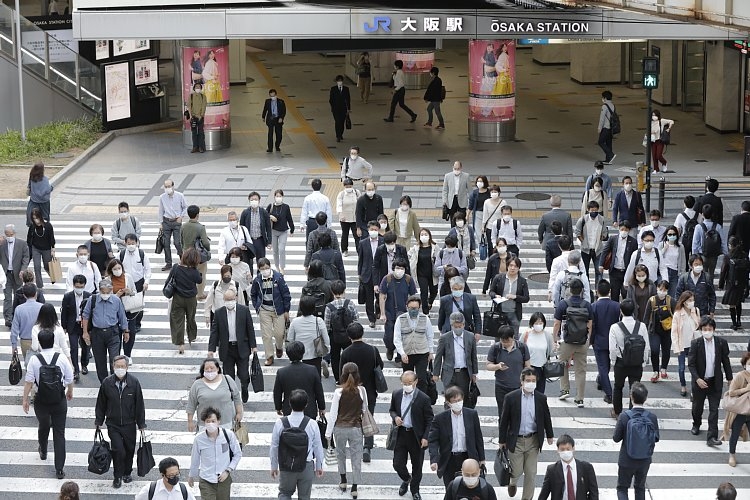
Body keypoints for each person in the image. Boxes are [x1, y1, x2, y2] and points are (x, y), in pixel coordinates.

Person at [22, 329, 74, 480]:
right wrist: (70, 392)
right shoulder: (62, 358)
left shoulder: (34, 359)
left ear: (39, 342)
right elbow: (69, 378)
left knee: (44, 426)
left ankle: (43, 450)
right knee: (59, 433)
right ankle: (59, 469)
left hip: (41, 401)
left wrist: (25, 400)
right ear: (53, 341)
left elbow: (29, 382)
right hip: (59, 400)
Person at [498, 368, 555, 500]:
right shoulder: (511, 398)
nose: (531, 383)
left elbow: (546, 416)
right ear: (522, 382)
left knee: (531, 473)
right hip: (516, 440)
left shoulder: (541, 398)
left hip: (533, 440)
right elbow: (504, 420)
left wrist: (550, 435)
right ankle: (512, 482)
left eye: (533, 381)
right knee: (516, 471)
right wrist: (502, 441)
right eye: (528, 380)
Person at [94, 355, 146, 488]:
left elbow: (139, 404)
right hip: (113, 424)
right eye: (118, 366)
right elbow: (101, 404)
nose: (120, 369)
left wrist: (141, 424)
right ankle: (117, 476)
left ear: (127, 367)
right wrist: (99, 421)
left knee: (129, 449)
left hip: (129, 423)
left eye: (123, 366)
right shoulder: (107, 383)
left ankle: (127, 472)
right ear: (113, 367)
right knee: (118, 450)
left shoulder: (134, 382)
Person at [270, 389, 325, 500]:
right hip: (306, 465)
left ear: (290, 404)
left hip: (287, 465)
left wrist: (274, 466)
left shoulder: (280, 423)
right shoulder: (312, 424)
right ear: (306, 405)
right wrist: (319, 466)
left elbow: (274, 446)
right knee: (304, 497)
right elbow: (318, 446)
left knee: (284, 493)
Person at [389, 370, 434, 500]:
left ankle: (415, 489)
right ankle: (406, 479)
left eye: (409, 382)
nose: (407, 385)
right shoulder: (397, 394)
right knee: (397, 464)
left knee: (417, 466)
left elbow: (430, 419)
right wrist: (395, 417)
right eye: (404, 382)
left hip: (417, 436)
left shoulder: (423, 398)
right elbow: (392, 410)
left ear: (415, 382)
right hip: (401, 434)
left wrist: (426, 437)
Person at [429, 386, 485, 489]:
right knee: (451, 488)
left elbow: (478, 437)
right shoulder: (440, 418)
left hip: (468, 457)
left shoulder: (471, 414)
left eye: (459, 400)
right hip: (449, 459)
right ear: (448, 403)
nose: (457, 403)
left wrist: (482, 458)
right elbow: (433, 440)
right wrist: (434, 460)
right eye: (454, 401)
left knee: (470, 488)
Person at [325, 362, 367, 499]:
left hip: (339, 428)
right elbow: (365, 410)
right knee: (356, 458)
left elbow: (333, 414)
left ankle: (343, 481)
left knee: (340, 454)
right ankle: (354, 487)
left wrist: (328, 433)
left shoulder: (338, 392)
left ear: (343, 375)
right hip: (355, 427)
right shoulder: (362, 391)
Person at [689, 316, 732, 446]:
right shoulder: (696, 344)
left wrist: (730, 378)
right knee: (697, 407)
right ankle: (696, 423)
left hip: (715, 381)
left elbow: (725, 361)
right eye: (704, 329)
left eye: (709, 329)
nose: (707, 331)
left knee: (714, 410)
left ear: (714, 329)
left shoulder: (721, 343)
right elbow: (691, 364)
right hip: (700, 382)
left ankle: (711, 437)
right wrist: (697, 379)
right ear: (701, 329)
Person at [208, 288, 257, 403]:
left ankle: (244, 388)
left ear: (235, 298)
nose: (229, 301)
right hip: (227, 349)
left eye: (231, 299)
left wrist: (253, 346)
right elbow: (214, 332)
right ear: (224, 300)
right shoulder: (219, 313)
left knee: (244, 374)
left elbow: (250, 328)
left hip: (242, 348)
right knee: (228, 376)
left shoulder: (244, 310)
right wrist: (211, 349)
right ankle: (232, 397)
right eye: (227, 300)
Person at [613, 382, 659, 500]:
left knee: (622, 488)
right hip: (644, 460)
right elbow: (656, 438)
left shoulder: (624, 416)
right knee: (640, 487)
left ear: (631, 396)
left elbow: (616, 438)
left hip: (626, 459)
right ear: (646, 398)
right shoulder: (651, 417)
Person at [552, 278, 593, 407]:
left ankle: (565, 389)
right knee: (581, 370)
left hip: (567, 341)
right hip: (582, 342)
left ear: (569, 290)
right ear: (581, 291)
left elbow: (557, 323)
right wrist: (588, 339)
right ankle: (580, 398)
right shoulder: (587, 305)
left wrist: (555, 338)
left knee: (562, 364)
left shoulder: (563, 304)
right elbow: (590, 324)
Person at [188, 406, 241, 500]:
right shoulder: (199, 439)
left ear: (218, 421)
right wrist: (191, 475)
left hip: (223, 479)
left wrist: (228, 470)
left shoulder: (228, 435)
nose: (210, 424)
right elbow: (195, 458)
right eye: (208, 421)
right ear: (204, 422)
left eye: (213, 421)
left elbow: (237, 454)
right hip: (206, 479)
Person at [81, 278, 129, 383]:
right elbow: (85, 315)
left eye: (108, 292)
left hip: (113, 333)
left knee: (114, 358)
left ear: (111, 291)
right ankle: (104, 383)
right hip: (97, 334)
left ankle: (115, 381)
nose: (105, 294)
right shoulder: (92, 299)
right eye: (103, 292)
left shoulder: (116, 300)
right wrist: (85, 332)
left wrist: (126, 331)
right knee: (100, 361)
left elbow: (122, 316)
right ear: (99, 290)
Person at [609, 299, 650, 418]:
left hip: (621, 362)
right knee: (635, 388)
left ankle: (617, 412)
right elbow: (646, 346)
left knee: (618, 387)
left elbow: (612, 348)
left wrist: (613, 361)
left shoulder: (615, 327)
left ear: (621, 311)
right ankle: (633, 413)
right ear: (634, 311)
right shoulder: (641, 326)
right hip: (637, 362)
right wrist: (643, 361)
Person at [250, 258, 291, 366]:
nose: (265, 270)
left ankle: (279, 347)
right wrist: (256, 306)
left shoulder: (278, 278)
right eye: (262, 269)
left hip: (279, 310)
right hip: (264, 310)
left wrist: (287, 310)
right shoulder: (257, 280)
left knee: (279, 333)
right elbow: (253, 294)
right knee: (266, 335)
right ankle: (269, 356)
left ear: (270, 267)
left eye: (267, 268)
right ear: (259, 269)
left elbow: (286, 294)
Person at [434, 312, 478, 405]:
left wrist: (474, 373)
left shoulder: (470, 337)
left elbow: (473, 356)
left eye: (460, 326)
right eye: (455, 326)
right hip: (449, 373)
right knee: (449, 399)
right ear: (451, 325)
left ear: (463, 324)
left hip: (464, 373)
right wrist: (436, 374)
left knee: (462, 399)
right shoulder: (445, 338)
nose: (458, 328)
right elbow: (438, 356)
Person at [273, 341, 326, 419]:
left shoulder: (282, 372)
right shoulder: (312, 370)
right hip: (309, 410)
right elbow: (319, 391)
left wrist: (278, 407)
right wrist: (321, 407)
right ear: (303, 353)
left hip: (289, 409)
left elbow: (277, 392)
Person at [487, 325, 530, 420]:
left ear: (513, 337)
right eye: (503, 341)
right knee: (503, 415)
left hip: (518, 387)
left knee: (517, 415)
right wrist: (497, 366)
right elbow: (488, 365)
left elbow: (527, 367)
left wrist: (525, 383)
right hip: (501, 387)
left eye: (508, 341)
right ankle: (503, 434)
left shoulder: (522, 347)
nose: (505, 343)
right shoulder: (495, 348)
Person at [538, 434, 599, 500]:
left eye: (568, 449)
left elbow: (594, 492)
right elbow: (544, 494)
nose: (565, 452)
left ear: (573, 449)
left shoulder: (586, 468)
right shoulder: (552, 470)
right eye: (562, 449)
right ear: (558, 450)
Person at [187, 358, 242, 433]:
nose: (209, 370)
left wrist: (239, 413)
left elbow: (236, 397)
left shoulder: (227, 380)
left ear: (218, 369)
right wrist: (190, 421)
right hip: (205, 424)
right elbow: (191, 404)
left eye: (212, 368)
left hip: (225, 423)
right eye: (206, 368)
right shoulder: (197, 384)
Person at [392, 294, 434, 390]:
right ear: (407, 307)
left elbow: (430, 336)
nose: (413, 310)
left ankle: (421, 400)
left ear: (419, 308)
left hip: (422, 353)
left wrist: (431, 352)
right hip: (407, 354)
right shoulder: (400, 319)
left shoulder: (425, 319)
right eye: (411, 308)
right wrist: (402, 353)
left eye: (416, 308)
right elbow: (397, 338)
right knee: (407, 380)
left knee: (422, 379)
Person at [379, 258, 417, 362]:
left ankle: (400, 356)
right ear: (393, 268)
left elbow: (413, 296)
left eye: (402, 268)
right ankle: (390, 348)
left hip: (404, 312)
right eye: (397, 268)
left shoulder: (408, 279)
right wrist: (382, 313)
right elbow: (382, 295)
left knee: (404, 336)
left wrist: (414, 312)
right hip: (390, 312)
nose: (399, 270)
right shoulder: (387, 279)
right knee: (389, 336)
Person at [166, 248, 202, 354]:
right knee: (190, 318)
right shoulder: (194, 272)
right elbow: (199, 280)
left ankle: (180, 343)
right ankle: (192, 336)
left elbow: (169, 279)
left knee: (177, 320)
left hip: (178, 297)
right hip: (191, 298)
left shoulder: (176, 268)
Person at [324, 280, 359, 383]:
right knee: (350, 356)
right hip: (349, 335)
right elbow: (356, 319)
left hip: (335, 336)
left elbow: (327, 324)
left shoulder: (329, 307)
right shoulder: (350, 303)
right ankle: (351, 377)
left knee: (335, 358)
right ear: (344, 291)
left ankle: (339, 380)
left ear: (332, 292)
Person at [287, 294, 330, 375]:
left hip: (299, 356)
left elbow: (290, 339)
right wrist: (326, 352)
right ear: (314, 308)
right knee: (316, 380)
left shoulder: (295, 322)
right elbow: (326, 340)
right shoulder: (319, 321)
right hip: (315, 355)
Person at [591, 280, 619, 404]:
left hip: (599, 340)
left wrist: (591, 340)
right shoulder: (616, 306)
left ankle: (609, 393)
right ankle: (601, 380)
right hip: (613, 340)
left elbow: (592, 326)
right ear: (610, 291)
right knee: (606, 366)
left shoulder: (593, 306)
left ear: (597, 292)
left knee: (603, 366)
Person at [488, 257, 529, 338]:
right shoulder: (499, 278)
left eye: (515, 266)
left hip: (514, 314)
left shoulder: (522, 281)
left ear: (518, 268)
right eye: (511, 265)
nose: (513, 268)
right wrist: (496, 296)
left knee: (514, 337)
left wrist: (515, 297)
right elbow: (491, 292)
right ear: (507, 266)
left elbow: (526, 298)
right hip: (500, 312)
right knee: (499, 337)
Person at [104, 259, 137, 360]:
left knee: (130, 331)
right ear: (111, 270)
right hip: (114, 311)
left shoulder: (128, 277)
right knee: (116, 334)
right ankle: (116, 356)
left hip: (128, 309)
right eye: (115, 269)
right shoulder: (107, 280)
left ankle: (127, 354)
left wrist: (129, 291)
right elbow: (104, 296)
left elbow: (135, 291)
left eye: (119, 268)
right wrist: (116, 296)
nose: (117, 270)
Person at [599, 221, 639, 302]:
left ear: (629, 230)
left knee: (626, 293)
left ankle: (625, 311)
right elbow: (605, 251)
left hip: (626, 272)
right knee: (614, 294)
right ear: (619, 229)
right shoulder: (613, 239)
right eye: (622, 229)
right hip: (614, 271)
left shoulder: (633, 242)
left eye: (626, 230)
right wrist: (601, 264)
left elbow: (635, 257)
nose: (624, 231)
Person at [671, 291, 701, 398]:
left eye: (693, 300)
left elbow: (699, 326)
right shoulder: (678, 314)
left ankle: (694, 389)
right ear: (684, 302)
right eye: (689, 300)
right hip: (682, 345)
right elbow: (674, 332)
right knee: (682, 368)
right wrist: (676, 347)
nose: (692, 302)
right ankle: (683, 386)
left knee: (695, 368)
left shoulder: (696, 311)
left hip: (694, 344)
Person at [61, 275, 91, 380]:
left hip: (84, 326)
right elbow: (64, 312)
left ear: (84, 285)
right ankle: (76, 369)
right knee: (73, 348)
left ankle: (84, 365)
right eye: (77, 286)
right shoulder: (68, 296)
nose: (79, 288)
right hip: (72, 325)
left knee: (85, 347)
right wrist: (64, 326)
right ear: (73, 285)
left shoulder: (89, 296)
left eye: (81, 286)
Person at [119, 233, 150, 337]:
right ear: (125, 243)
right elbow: (116, 266)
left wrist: (146, 282)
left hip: (139, 282)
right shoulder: (121, 254)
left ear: (137, 243)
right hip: (126, 283)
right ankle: (126, 322)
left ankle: (137, 323)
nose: (131, 245)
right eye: (129, 243)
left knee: (138, 304)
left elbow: (147, 269)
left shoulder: (141, 254)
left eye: (133, 243)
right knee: (126, 303)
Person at [644, 281, 674, 383]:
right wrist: (644, 330)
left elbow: (676, 315)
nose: (662, 291)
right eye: (660, 289)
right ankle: (655, 371)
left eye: (664, 290)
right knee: (655, 350)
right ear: (657, 288)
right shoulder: (652, 300)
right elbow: (646, 317)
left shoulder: (670, 301)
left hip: (667, 330)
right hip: (654, 330)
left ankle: (663, 368)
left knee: (666, 350)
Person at [724, 351, 750, 467]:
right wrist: (745, 389)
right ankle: (732, 454)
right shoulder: (740, 376)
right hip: (740, 411)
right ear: (745, 364)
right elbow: (731, 392)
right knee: (735, 434)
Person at [1, 223, 29, 326]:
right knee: (7, 297)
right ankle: (8, 318)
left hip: (18, 274)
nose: (9, 237)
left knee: (19, 296)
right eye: (7, 234)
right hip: (6, 274)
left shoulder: (22, 244)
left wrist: (23, 270)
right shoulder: (2, 244)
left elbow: (26, 257)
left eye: (11, 234)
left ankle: (18, 316)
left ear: (15, 233)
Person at [180, 204, 210, 300]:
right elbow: (205, 242)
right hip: (198, 255)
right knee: (201, 273)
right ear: (197, 215)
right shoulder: (200, 227)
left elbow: (180, 240)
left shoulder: (183, 226)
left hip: (186, 253)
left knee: (187, 273)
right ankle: (200, 294)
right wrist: (207, 249)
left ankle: (188, 291)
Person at [692, 204, 727, 284]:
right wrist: (726, 253)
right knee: (711, 274)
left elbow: (695, 243)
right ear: (712, 214)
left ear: (702, 214)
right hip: (714, 255)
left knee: (702, 273)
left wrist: (694, 256)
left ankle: (703, 289)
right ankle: (710, 289)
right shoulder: (718, 227)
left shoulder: (698, 227)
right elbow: (723, 241)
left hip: (702, 255)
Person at [520, 312, 554, 394]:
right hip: (528, 367)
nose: (538, 325)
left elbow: (551, 353)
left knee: (539, 393)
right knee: (527, 391)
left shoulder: (547, 336)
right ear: (532, 323)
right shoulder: (526, 334)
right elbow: (520, 349)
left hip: (541, 369)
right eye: (536, 323)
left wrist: (557, 349)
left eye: (540, 323)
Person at [158, 179, 188, 271]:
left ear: (173, 186)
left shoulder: (180, 196)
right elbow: (161, 210)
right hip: (166, 221)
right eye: (166, 187)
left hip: (176, 222)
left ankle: (183, 260)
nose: (167, 188)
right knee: (166, 243)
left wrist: (181, 217)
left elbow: (185, 207)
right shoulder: (162, 197)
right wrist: (160, 223)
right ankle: (168, 263)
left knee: (177, 242)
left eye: (169, 186)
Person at [357, 221, 383, 328]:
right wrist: (359, 274)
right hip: (367, 274)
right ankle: (371, 319)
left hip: (380, 274)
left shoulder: (383, 241)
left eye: (376, 230)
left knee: (380, 296)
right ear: (368, 230)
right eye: (372, 229)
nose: (374, 231)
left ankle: (378, 310)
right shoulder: (363, 243)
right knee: (369, 299)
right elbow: (361, 259)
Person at [719, 236, 748, 330]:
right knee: (738, 302)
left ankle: (734, 323)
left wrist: (721, 283)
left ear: (730, 245)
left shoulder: (728, 256)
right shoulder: (744, 255)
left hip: (731, 283)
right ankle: (739, 320)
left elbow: (723, 271)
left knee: (732, 304)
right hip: (742, 283)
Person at [409, 227, 439, 314]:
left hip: (432, 273)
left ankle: (430, 302)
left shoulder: (435, 247)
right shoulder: (416, 248)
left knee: (434, 291)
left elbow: (439, 258)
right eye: (422, 235)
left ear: (429, 236)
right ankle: (425, 311)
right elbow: (409, 255)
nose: (424, 236)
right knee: (424, 292)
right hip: (421, 274)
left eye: (426, 234)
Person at [575, 201, 606, 284]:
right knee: (585, 271)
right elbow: (577, 232)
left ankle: (598, 290)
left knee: (599, 271)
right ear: (588, 210)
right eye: (592, 211)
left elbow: (604, 233)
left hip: (598, 250)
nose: (594, 212)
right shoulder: (583, 220)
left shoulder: (601, 219)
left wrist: (600, 239)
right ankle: (586, 288)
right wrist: (583, 241)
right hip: (585, 250)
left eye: (596, 211)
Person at [11, 283, 44, 361]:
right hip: (41, 340)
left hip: (25, 341)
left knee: (29, 366)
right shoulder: (42, 307)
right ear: (36, 293)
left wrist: (14, 345)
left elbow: (14, 329)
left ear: (24, 295)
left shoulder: (19, 309)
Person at [240, 191, 273, 265]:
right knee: (248, 260)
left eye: (256, 199)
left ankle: (259, 275)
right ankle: (249, 275)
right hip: (249, 241)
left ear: (259, 201)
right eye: (252, 200)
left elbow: (268, 227)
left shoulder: (263, 212)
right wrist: (242, 242)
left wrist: (269, 241)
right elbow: (241, 227)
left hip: (260, 240)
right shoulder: (245, 213)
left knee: (261, 260)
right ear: (249, 201)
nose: (254, 201)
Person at [26, 207, 56, 289]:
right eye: (34, 218)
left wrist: (53, 249)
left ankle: (52, 276)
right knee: (37, 266)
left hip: (46, 248)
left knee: (47, 265)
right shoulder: (32, 227)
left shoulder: (48, 226)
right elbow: (29, 239)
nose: (36, 220)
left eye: (37, 217)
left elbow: (51, 238)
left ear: (41, 217)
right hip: (36, 249)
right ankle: (40, 286)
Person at [268, 190, 295, 273]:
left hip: (283, 231)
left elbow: (289, 218)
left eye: (280, 196)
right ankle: (277, 266)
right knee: (275, 251)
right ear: (274, 197)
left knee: (282, 249)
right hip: (273, 231)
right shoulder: (271, 206)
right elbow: (265, 215)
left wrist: (292, 229)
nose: (278, 198)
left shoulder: (286, 207)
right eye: (277, 196)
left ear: (282, 197)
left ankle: (282, 267)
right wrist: (271, 216)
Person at [384, 60, 417, 124]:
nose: (394, 66)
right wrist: (393, 75)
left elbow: (401, 83)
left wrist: (395, 90)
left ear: (397, 66)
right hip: (401, 90)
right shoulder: (399, 72)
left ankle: (391, 118)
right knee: (401, 104)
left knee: (393, 104)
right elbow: (396, 80)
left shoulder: (399, 73)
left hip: (399, 90)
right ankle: (413, 115)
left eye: (394, 65)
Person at [336, 178, 361, 257]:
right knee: (345, 234)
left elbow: (360, 203)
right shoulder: (341, 194)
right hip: (344, 218)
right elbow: (339, 205)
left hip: (354, 218)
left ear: (352, 186)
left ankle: (359, 250)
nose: (348, 188)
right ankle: (344, 250)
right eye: (347, 187)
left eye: (349, 186)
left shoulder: (357, 193)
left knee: (356, 235)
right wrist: (341, 214)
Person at [442, 161, 471, 227]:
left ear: (461, 168)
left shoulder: (466, 176)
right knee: (452, 218)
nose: (456, 170)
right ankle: (453, 233)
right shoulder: (447, 176)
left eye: (458, 169)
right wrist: (445, 201)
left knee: (462, 218)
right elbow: (445, 190)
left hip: (462, 200)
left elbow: (470, 190)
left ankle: (462, 232)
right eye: (455, 168)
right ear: (452, 167)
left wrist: (470, 202)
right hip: (451, 200)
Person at [659, 225, 685, 299]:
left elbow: (683, 262)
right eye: (670, 234)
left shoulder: (680, 247)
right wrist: (664, 249)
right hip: (664, 272)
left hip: (675, 273)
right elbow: (658, 257)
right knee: (662, 294)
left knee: (673, 296)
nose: (672, 236)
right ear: (666, 235)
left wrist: (681, 275)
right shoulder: (662, 244)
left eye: (674, 234)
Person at [262, 88, 286, 152]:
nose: (273, 97)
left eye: (274, 95)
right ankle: (270, 148)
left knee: (279, 134)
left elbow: (284, 111)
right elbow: (265, 109)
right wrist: (263, 117)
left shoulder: (281, 102)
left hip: (278, 119)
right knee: (270, 134)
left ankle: (277, 146)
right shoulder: (267, 101)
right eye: (271, 96)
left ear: (276, 95)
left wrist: (281, 118)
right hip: (270, 119)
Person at [329, 74, 351, 143]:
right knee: (337, 122)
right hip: (336, 109)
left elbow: (348, 99)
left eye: (341, 81)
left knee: (341, 122)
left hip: (344, 109)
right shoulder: (333, 89)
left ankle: (340, 134)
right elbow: (331, 99)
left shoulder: (346, 89)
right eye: (338, 81)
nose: (340, 82)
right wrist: (333, 107)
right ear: (336, 81)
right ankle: (338, 135)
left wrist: (348, 109)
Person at [597, 90, 616, 164]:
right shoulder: (613, 105)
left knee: (600, 142)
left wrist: (599, 128)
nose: (602, 99)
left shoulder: (604, 106)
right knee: (609, 143)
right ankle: (608, 160)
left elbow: (602, 118)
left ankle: (611, 154)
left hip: (605, 127)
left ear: (605, 98)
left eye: (602, 97)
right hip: (611, 128)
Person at [188, 82, 207, 153]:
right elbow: (189, 106)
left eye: (199, 87)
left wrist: (201, 115)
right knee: (194, 133)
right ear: (194, 88)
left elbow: (204, 106)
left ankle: (201, 147)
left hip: (200, 117)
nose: (197, 88)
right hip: (193, 117)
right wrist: (190, 116)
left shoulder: (203, 96)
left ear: (201, 88)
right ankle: (195, 147)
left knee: (201, 132)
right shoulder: (191, 96)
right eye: (196, 87)